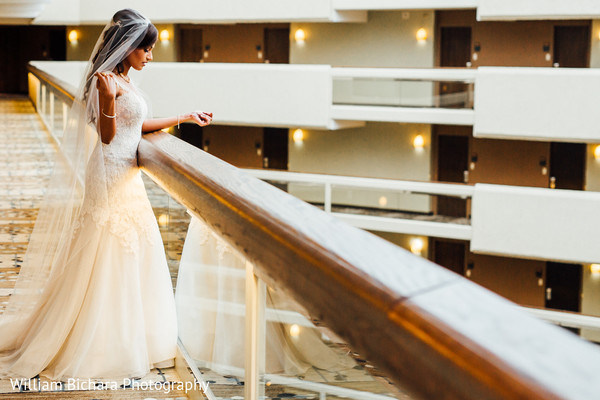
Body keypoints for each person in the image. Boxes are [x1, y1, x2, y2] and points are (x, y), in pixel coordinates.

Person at [0, 8, 211, 381]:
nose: (149, 56)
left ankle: (138, 338)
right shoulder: (104, 80)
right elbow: (109, 136)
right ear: (128, 47)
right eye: (145, 49)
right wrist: (109, 100)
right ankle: (102, 341)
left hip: (126, 176)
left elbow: (138, 127)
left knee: (137, 249)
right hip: (109, 172)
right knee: (107, 250)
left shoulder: (124, 79)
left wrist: (183, 117)